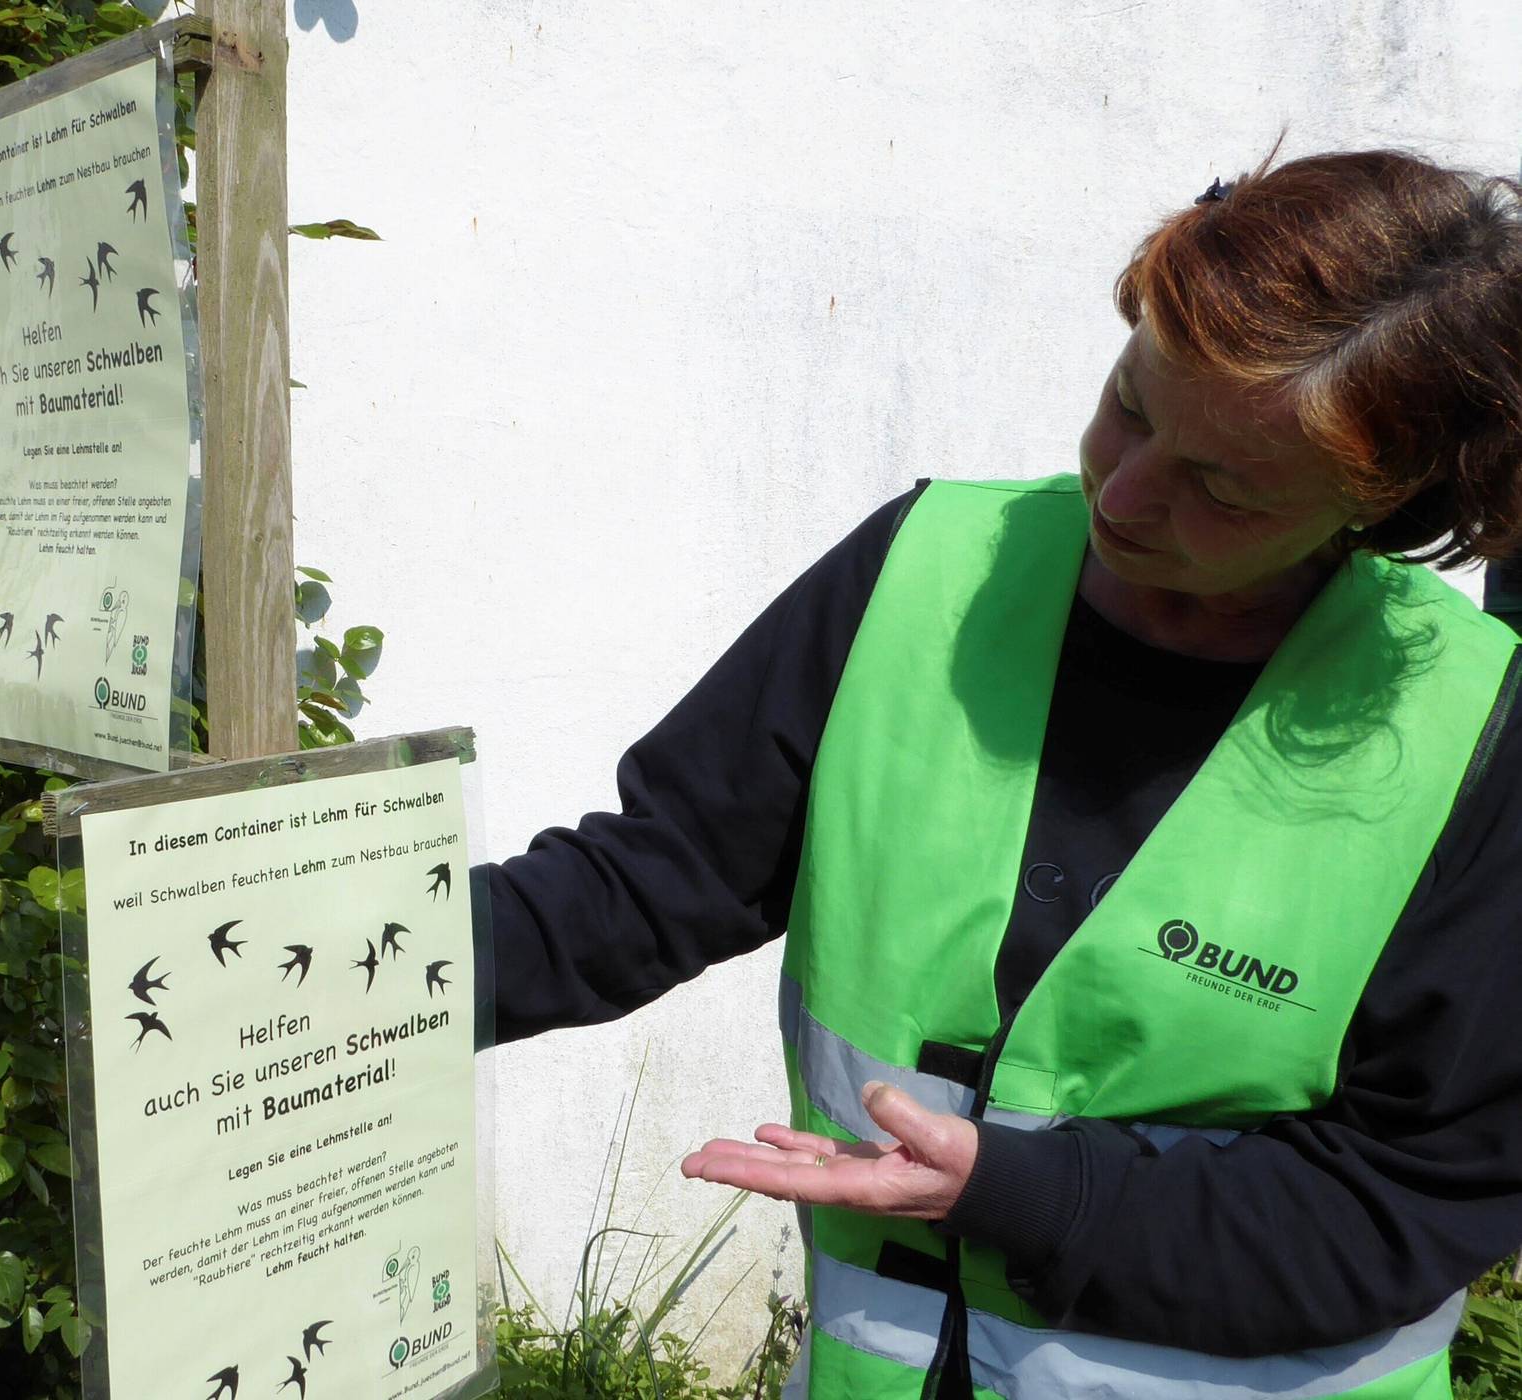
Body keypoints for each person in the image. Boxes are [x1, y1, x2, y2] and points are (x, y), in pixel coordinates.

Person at [483, 148, 1522, 1398]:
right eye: (1131, 403)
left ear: (1382, 505)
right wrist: (340, 967)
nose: (1125, 495)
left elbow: (1413, 1194)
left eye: (1225, 490)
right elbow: (655, 874)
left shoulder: (1472, 731)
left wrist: (1020, 1190)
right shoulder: (927, 568)